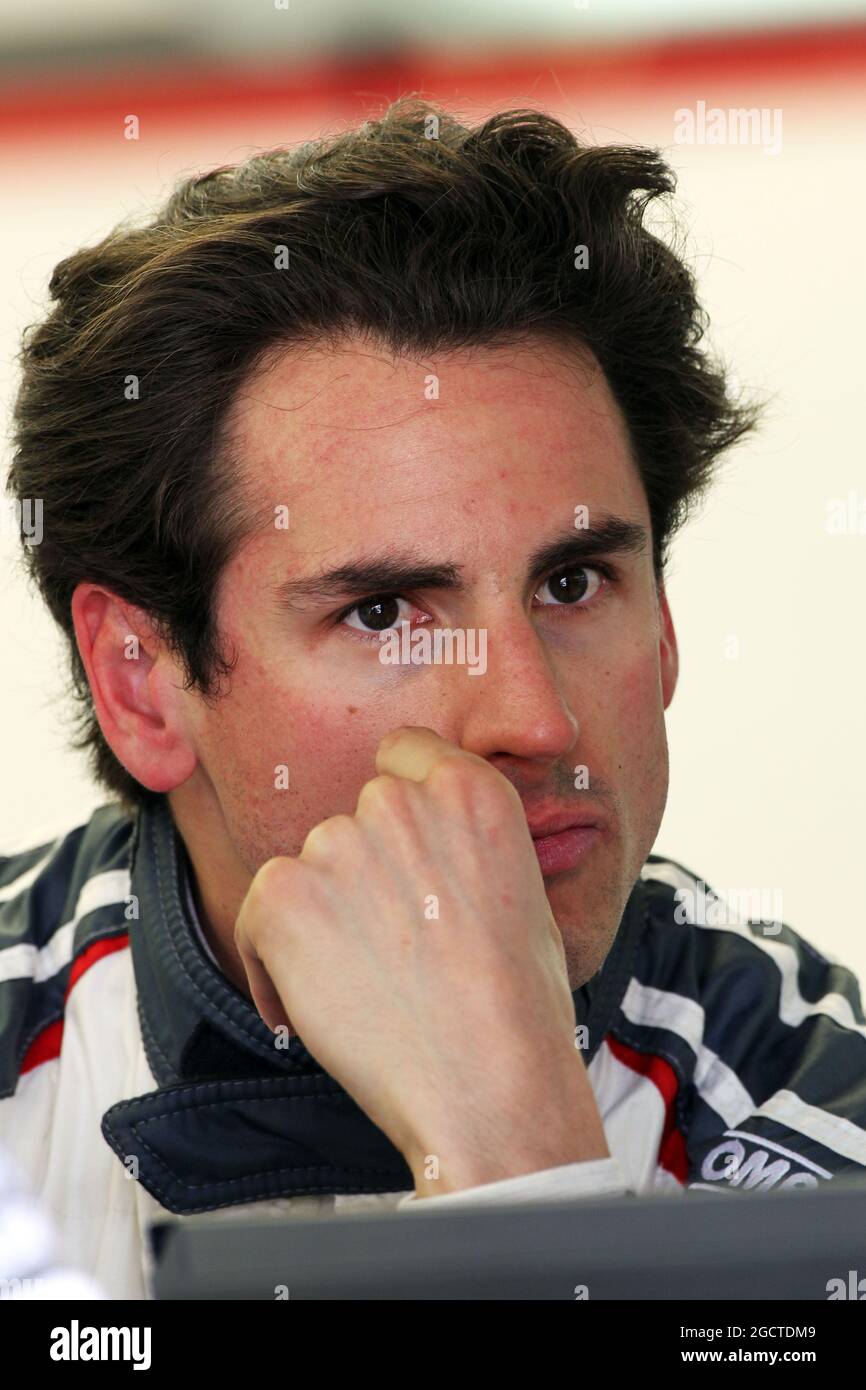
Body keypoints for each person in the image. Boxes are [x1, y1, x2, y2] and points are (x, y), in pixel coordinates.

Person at [2, 97, 865, 1301]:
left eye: (571, 581)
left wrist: (511, 1155)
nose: (535, 720)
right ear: (141, 684)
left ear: (664, 624)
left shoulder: (817, 1104)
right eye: (385, 612)